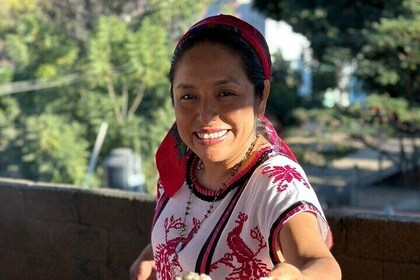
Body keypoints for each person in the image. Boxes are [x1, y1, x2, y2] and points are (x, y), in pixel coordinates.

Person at [130, 14, 341, 280]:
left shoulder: (276, 182)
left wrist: (298, 277)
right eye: (188, 96)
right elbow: (190, 235)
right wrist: (152, 258)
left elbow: (320, 263)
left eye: (225, 94)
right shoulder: (182, 164)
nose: (205, 115)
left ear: (260, 95)